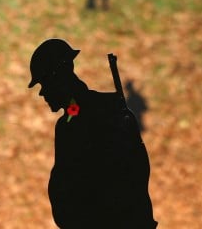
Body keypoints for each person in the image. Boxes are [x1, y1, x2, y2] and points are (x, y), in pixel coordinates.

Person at [28, 38, 157, 228]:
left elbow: (131, 175)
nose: (42, 93)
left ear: (58, 77)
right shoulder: (75, 118)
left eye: (44, 83)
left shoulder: (93, 116)